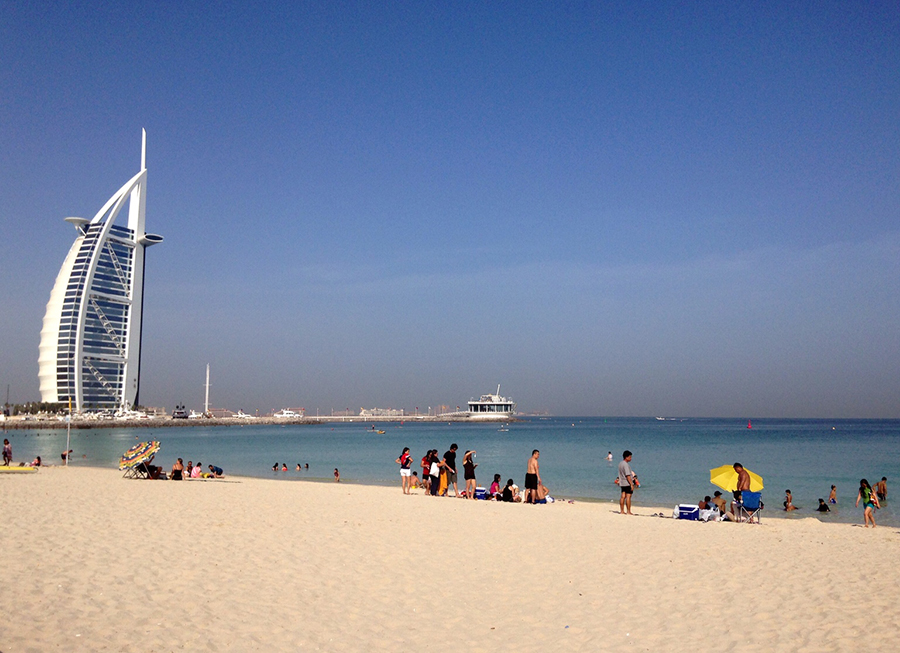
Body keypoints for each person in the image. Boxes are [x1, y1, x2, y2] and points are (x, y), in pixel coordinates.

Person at [617, 450, 635, 515]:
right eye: (630, 457)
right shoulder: (625, 465)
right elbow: (628, 475)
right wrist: (631, 484)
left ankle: (622, 511)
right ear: (626, 457)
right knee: (628, 497)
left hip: (622, 482)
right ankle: (628, 511)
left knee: (622, 496)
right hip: (627, 483)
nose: (631, 458)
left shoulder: (620, 464)